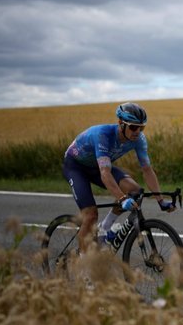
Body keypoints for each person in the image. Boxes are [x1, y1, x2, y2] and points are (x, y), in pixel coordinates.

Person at [62, 102, 176, 254]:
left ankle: (105, 228)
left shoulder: (139, 140)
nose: (138, 131)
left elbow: (147, 170)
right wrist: (122, 199)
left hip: (98, 166)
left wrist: (161, 201)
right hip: (76, 167)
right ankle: (83, 267)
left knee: (135, 191)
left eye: (141, 127)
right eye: (133, 127)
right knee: (90, 215)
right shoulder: (103, 135)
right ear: (121, 124)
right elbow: (105, 173)